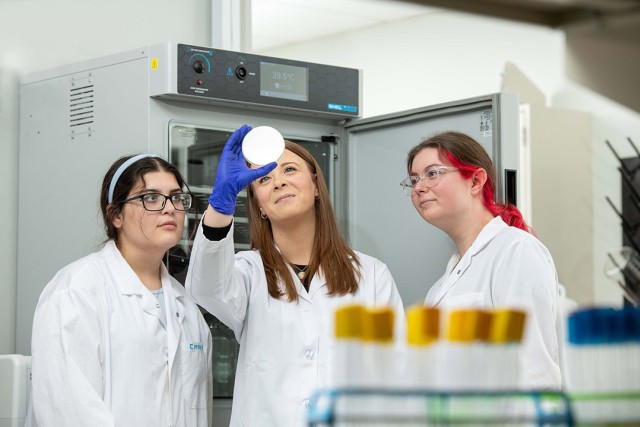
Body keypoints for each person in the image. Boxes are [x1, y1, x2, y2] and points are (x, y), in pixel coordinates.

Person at [186, 125, 406, 426]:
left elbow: (394, 373)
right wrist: (220, 203)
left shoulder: (371, 275)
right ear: (259, 206)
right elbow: (206, 287)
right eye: (264, 178)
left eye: (289, 169)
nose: (278, 182)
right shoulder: (248, 272)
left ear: (316, 186)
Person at [27, 154, 213, 426]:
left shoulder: (186, 307)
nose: (169, 208)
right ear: (115, 216)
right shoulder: (76, 290)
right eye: (150, 198)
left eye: (176, 197)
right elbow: (68, 412)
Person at [401, 131, 561, 390]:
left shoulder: (516, 251)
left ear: (475, 181)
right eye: (414, 180)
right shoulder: (439, 289)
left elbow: (532, 374)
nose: (419, 187)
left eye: (432, 173)